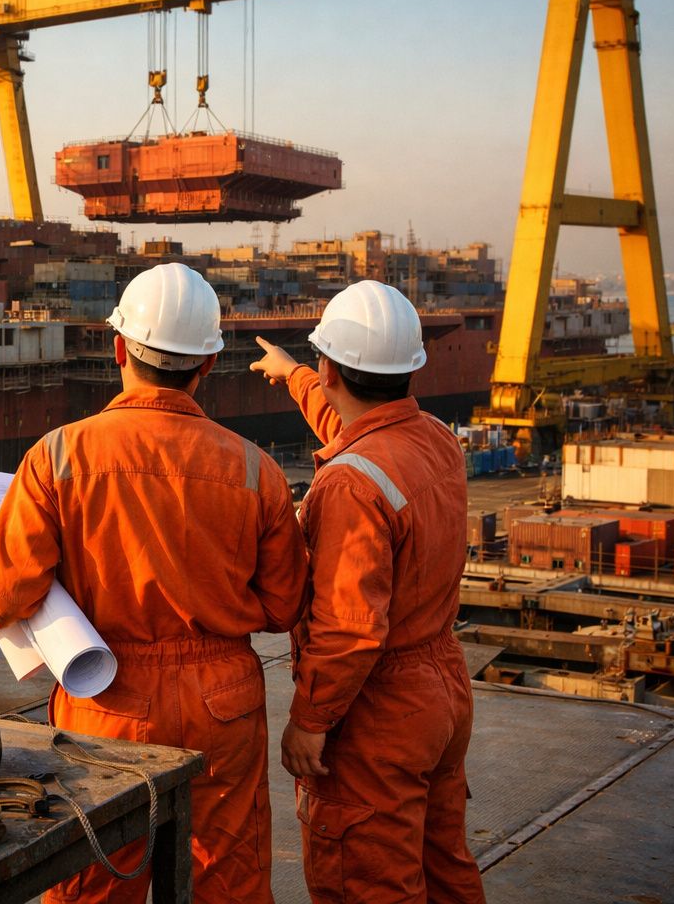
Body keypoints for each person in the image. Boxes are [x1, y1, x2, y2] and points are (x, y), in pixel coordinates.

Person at [0, 262, 308, 904]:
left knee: (95, 883)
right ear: (208, 364)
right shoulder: (257, 469)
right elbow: (285, 607)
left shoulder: (58, 455)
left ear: (119, 349)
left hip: (107, 698)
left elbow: (6, 594)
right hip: (224, 701)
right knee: (229, 881)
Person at [251, 280, 486, 904]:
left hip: (377, 711)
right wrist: (294, 376)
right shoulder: (434, 438)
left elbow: (349, 625)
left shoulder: (349, 486)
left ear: (331, 369)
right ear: (411, 367)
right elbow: (360, 429)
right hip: (441, 689)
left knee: (368, 881)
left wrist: (310, 721)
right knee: (443, 867)